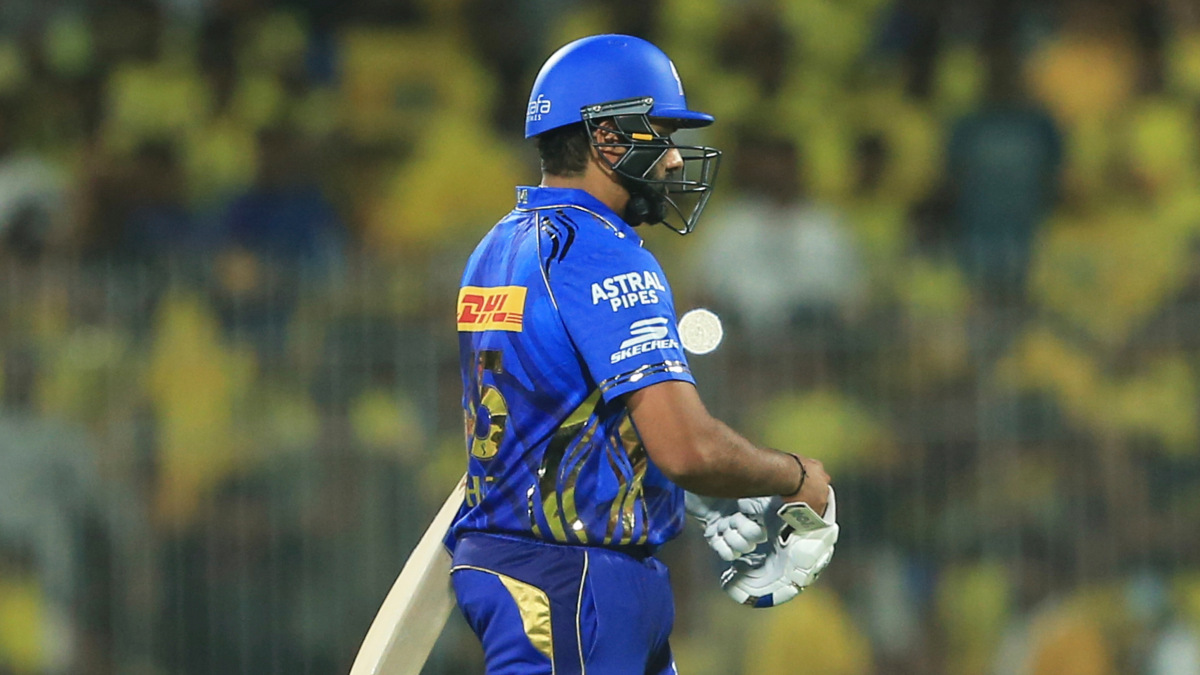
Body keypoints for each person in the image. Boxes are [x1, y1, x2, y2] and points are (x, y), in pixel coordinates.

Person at [445, 34, 832, 673]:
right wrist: (796, 476)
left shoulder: (497, 245)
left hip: (539, 573)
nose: (677, 160)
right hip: (574, 584)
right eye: (663, 133)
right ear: (609, 138)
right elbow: (688, 448)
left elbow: (555, 418)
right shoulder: (604, 251)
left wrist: (683, 497)